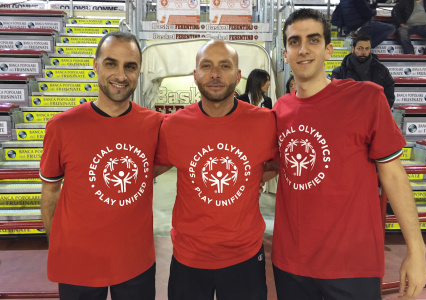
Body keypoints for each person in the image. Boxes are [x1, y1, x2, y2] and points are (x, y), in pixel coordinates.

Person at [271, 8, 426, 300]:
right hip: (291, 264)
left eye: (313, 40)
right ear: (285, 53)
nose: (303, 49)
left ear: (329, 49)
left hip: (353, 266)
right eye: (294, 42)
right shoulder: (280, 110)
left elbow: (393, 175)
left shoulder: (367, 98)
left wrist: (416, 251)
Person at [40, 31, 163, 300]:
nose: (121, 75)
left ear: (139, 71)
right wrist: (57, 244)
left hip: (136, 261)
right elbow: (50, 191)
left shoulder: (156, 125)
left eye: (130, 66)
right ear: (95, 66)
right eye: (111, 63)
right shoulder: (61, 127)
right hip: (77, 261)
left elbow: (162, 163)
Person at [155, 40, 277, 300]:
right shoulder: (173, 126)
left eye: (225, 66)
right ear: (195, 74)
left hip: (244, 256)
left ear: (238, 75)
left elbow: (276, 162)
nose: (215, 74)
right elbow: (152, 168)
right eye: (207, 66)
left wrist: (251, 178)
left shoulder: (264, 122)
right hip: (189, 257)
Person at [332, 34, 395, 108]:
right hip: (348, 115)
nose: (363, 52)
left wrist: (379, 109)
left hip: (374, 114)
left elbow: (389, 95)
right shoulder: (339, 72)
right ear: (353, 49)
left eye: (367, 48)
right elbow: (334, 96)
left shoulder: (381, 70)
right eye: (360, 48)